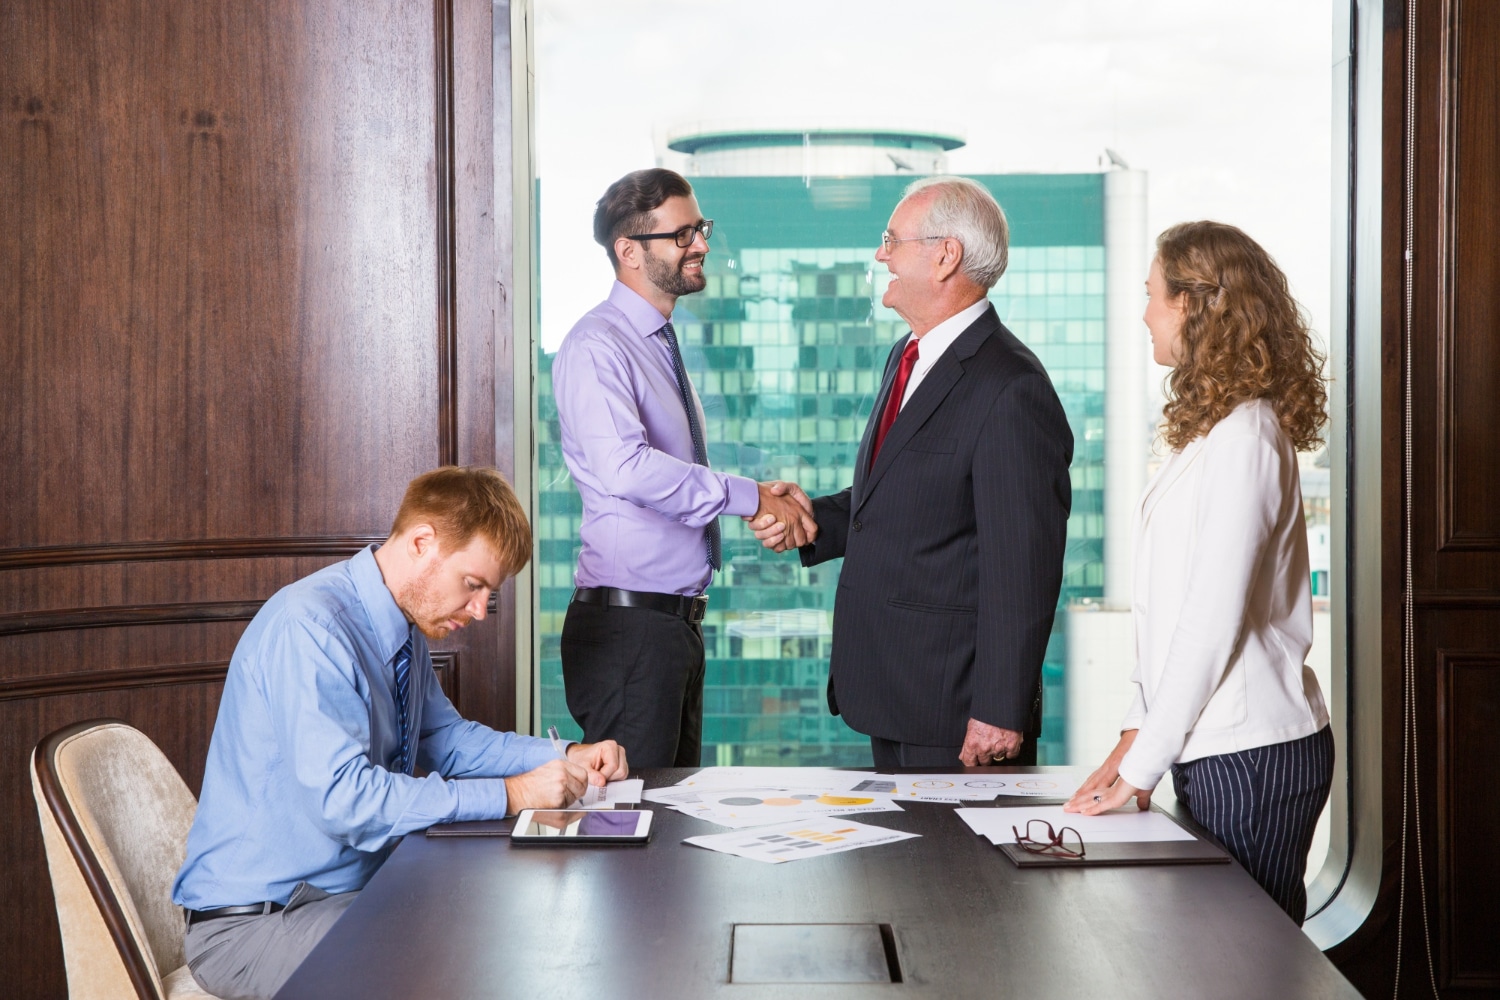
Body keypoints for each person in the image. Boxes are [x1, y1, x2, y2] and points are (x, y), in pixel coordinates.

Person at [172, 466, 628, 999]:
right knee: (458, 964)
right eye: (473, 585)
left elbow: (450, 743)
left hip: (346, 896)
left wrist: (571, 753)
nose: (481, 610)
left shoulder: (400, 630)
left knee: (501, 924)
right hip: (255, 927)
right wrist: (513, 794)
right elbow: (345, 801)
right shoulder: (311, 628)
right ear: (422, 542)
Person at [753, 176, 1073, 771]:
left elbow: (1023, 567)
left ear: (945, 255)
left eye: (891, 239)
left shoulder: (1011, 387)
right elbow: (902, 496)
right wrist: (813, 518)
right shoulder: (908, 355)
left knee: (956, 869)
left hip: (956, 711)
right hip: (894, 690)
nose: (880, 255)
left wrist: (1000, 709)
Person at [1064, 221, 1333, 925]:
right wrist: (1135, 729)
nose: (1145, 311)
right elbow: (1171, 611)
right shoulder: (1220, 432)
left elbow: (1211, 620)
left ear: (1194, 304)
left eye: (1153, 295)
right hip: (1219, 748)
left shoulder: (1246, 437)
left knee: (1249, 966)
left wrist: (1139, 768)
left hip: (1252, 755)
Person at [552, 168, 815, 768]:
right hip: (629, 631)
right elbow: (626, 468)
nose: (701, 245)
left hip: (669, 628)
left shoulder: (656, 341)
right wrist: (749, 497)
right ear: (629, 251)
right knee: (634, 831)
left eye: (701, 228)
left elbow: (675, 464)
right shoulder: (599, 344)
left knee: (668, 829)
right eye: (682, 234)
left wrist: (765, 490)